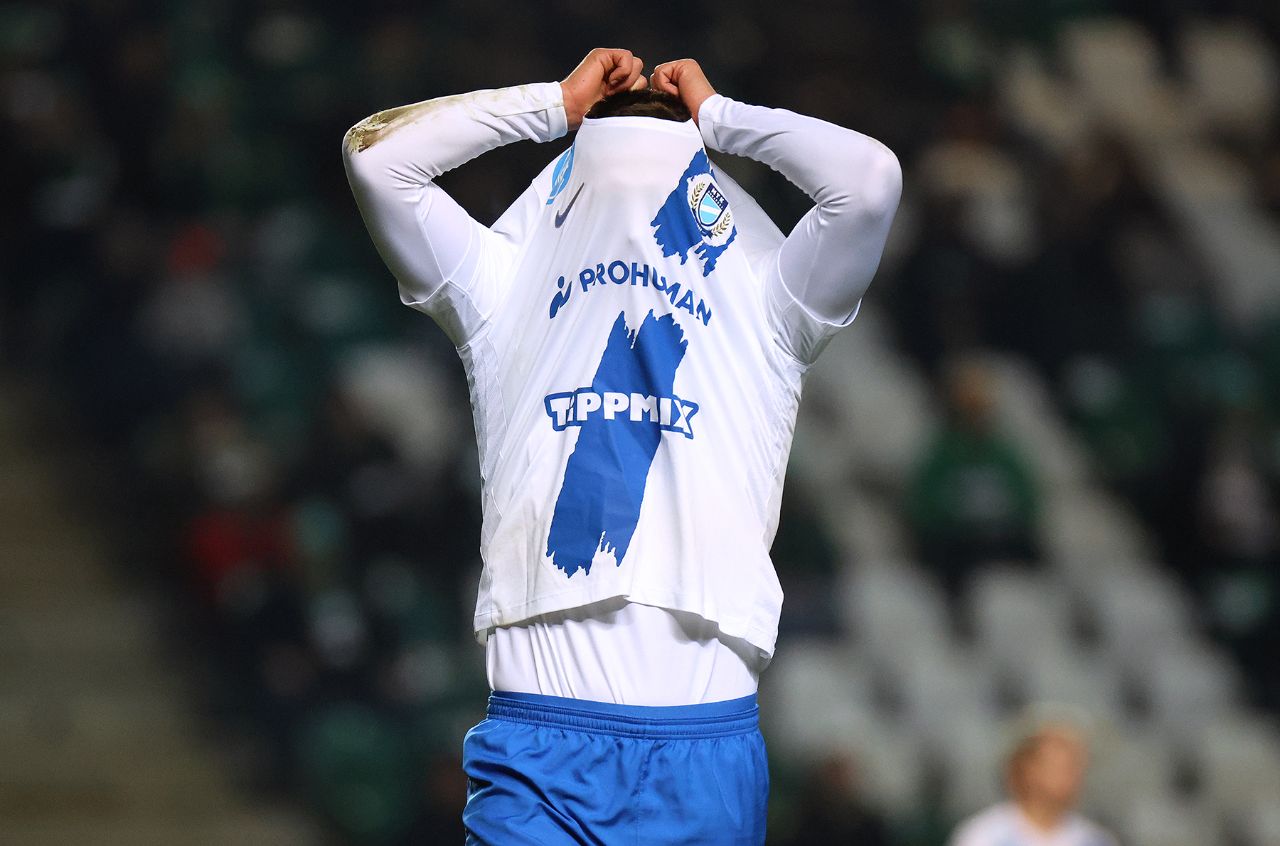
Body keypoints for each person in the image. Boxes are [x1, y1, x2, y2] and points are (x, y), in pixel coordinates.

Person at [342, 47, 901, 845]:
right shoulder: (763, 289)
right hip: (619, 741)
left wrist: (574, 107)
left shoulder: (508, 278)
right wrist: (684, 113)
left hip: (622, 739)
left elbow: (377, 158)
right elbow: (869, 180)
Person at [949, 719, 1118, 846]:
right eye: (1058, 766)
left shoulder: (1095, 840)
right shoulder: (984, 835)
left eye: (1075, 766)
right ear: (1027, 769)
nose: (1072, 776)